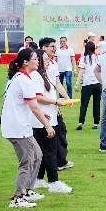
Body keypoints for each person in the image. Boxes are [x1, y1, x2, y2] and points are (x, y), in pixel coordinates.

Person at [1, 49, 57, 208]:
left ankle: (28, 190)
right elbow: (34, 107)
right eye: (35, 59)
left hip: (22, 126)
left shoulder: (23, 78)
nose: (38, 61)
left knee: (37, 155)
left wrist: (43, 114)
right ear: (26, 62)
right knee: (26, 161)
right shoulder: (23, 80)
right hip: (17, 128)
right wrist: (47, 125)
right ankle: (18, 197)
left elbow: (31, 106)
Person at [30, 40, 73, 194]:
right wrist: (56, 102)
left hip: (49, 115)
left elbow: (53, 89)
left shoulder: (44, 74)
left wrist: (60, 102)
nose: (49, 61)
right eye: (46, 60)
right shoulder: (35, 76)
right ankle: (54, 182)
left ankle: (39, 179)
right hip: (42, 118)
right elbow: (37, 97)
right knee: (50, 150)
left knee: (44, 150)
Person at [76, 42, 101, 131]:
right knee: (96, 104)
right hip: (97, 83)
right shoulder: (98, 57)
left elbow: (81, 72)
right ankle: (96, 123)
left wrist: (77, 84)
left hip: (87, 83)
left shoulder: (84, 59)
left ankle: (81, 122)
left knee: (84, 104)